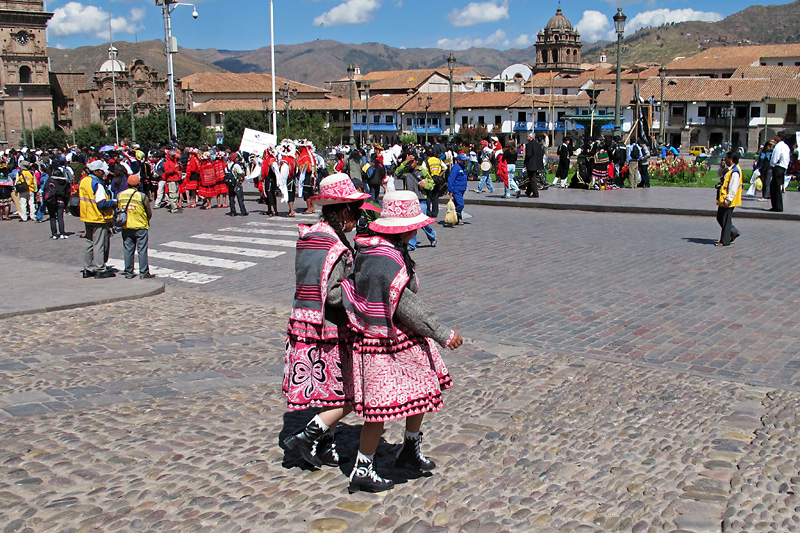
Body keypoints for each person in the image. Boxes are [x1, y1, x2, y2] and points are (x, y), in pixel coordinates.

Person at [341, 190, 464, 492]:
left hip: (393, 337)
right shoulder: (385, 259)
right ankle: (363, 466)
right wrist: (442, 332)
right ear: (404, 228)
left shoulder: (377, 250)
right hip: (384, 340)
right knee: (380, 408)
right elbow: (406, 305)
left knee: (418, 391)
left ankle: (409, 448)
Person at [282, 173, 371, 468]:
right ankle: (312, 434)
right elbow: (333, 294)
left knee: (330, 392)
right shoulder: (337, 248)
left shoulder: (310, 235)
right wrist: (360, 296)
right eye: (355, 212)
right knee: (349, 390)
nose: (357, 218)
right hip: (330, 328)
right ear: (344, 211)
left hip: (303, 321)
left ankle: (324, 445)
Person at [79, 160, 116, 278]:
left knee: (89, 243)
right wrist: (113, 202)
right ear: (96, 171)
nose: (103, 173)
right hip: (98, 217)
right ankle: (100, 268)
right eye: (101, 171)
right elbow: (101, 204)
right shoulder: (97, 184)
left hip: (87, 216)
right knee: (99, 244)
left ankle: (88, 268)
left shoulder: (84, 181)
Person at [395, 153, 437, 249]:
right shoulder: (406, 172)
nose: (411, 163)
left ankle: (432, 236)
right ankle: (411, 244)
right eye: (409, 161)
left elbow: (432, 184)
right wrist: (405, 162)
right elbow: (397, 173)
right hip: (409, 200)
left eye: (412, 161)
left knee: (423, 222)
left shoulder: (422, 171)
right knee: (411, 223)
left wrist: (424, 185)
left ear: (417, 161)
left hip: (421, 199)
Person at [117, 174, 155, 279]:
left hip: (126, 225)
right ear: (138, 184)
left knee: (128, 249)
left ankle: (129, 272)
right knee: (142, 250)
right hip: (140, 226)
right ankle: (144, 272)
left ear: (127, 184)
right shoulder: (142, 196)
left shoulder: (120, 195)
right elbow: (148, 212)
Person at [715, 151, 742, 246]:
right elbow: (719, 174)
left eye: (726, 159)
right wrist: (722, 167)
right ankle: (733, 232)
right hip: (723, 198)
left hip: (728, 199)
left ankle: (724, 240)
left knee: (725, 219)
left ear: (730, 159)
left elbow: (733, 187)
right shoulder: (730, 170)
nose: (724, 160)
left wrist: (729, 199)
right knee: (720, 217)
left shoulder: (735, 172)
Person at [43, 167, 70, 239]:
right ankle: (62, 233)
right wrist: (66, 203)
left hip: (51, 202)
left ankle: (54, 234)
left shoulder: (50, 180)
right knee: (60, 218)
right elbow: (67, 193)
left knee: (52, 218)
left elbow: (45, 190)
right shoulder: (64, 182)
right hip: (61, 201)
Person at [769, 132, 790, 212]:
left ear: (780, 137)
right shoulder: (786, 146)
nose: (775, 137)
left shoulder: (778, 146)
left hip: (777, 167)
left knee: (775, 187)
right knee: (776, 186)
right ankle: (776, 206)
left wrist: (772, 164)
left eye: (777, 136)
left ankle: (777, 206)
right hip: (783, 167)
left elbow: (775, 157)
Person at [226, 152, 248, 217]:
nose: (237, 159)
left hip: (230, 184)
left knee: (231, 198)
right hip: (236, 183)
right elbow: (241, 173)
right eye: (236, 158)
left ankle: (233, 211)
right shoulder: (236, 166)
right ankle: (243, 211)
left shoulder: (227, 165)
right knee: (240, 198)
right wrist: (243, 179)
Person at [163, 150, 182, 214]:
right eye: (172, 155)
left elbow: (179, 169)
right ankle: (173, 208)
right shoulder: (167, 162)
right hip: (171, 180)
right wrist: (174, 167)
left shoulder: (174, 161)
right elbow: (167, 172)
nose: (173, 156)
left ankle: (175, 206)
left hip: (175, 179)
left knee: (176, 194)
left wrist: (180, 165)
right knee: (173, 194)